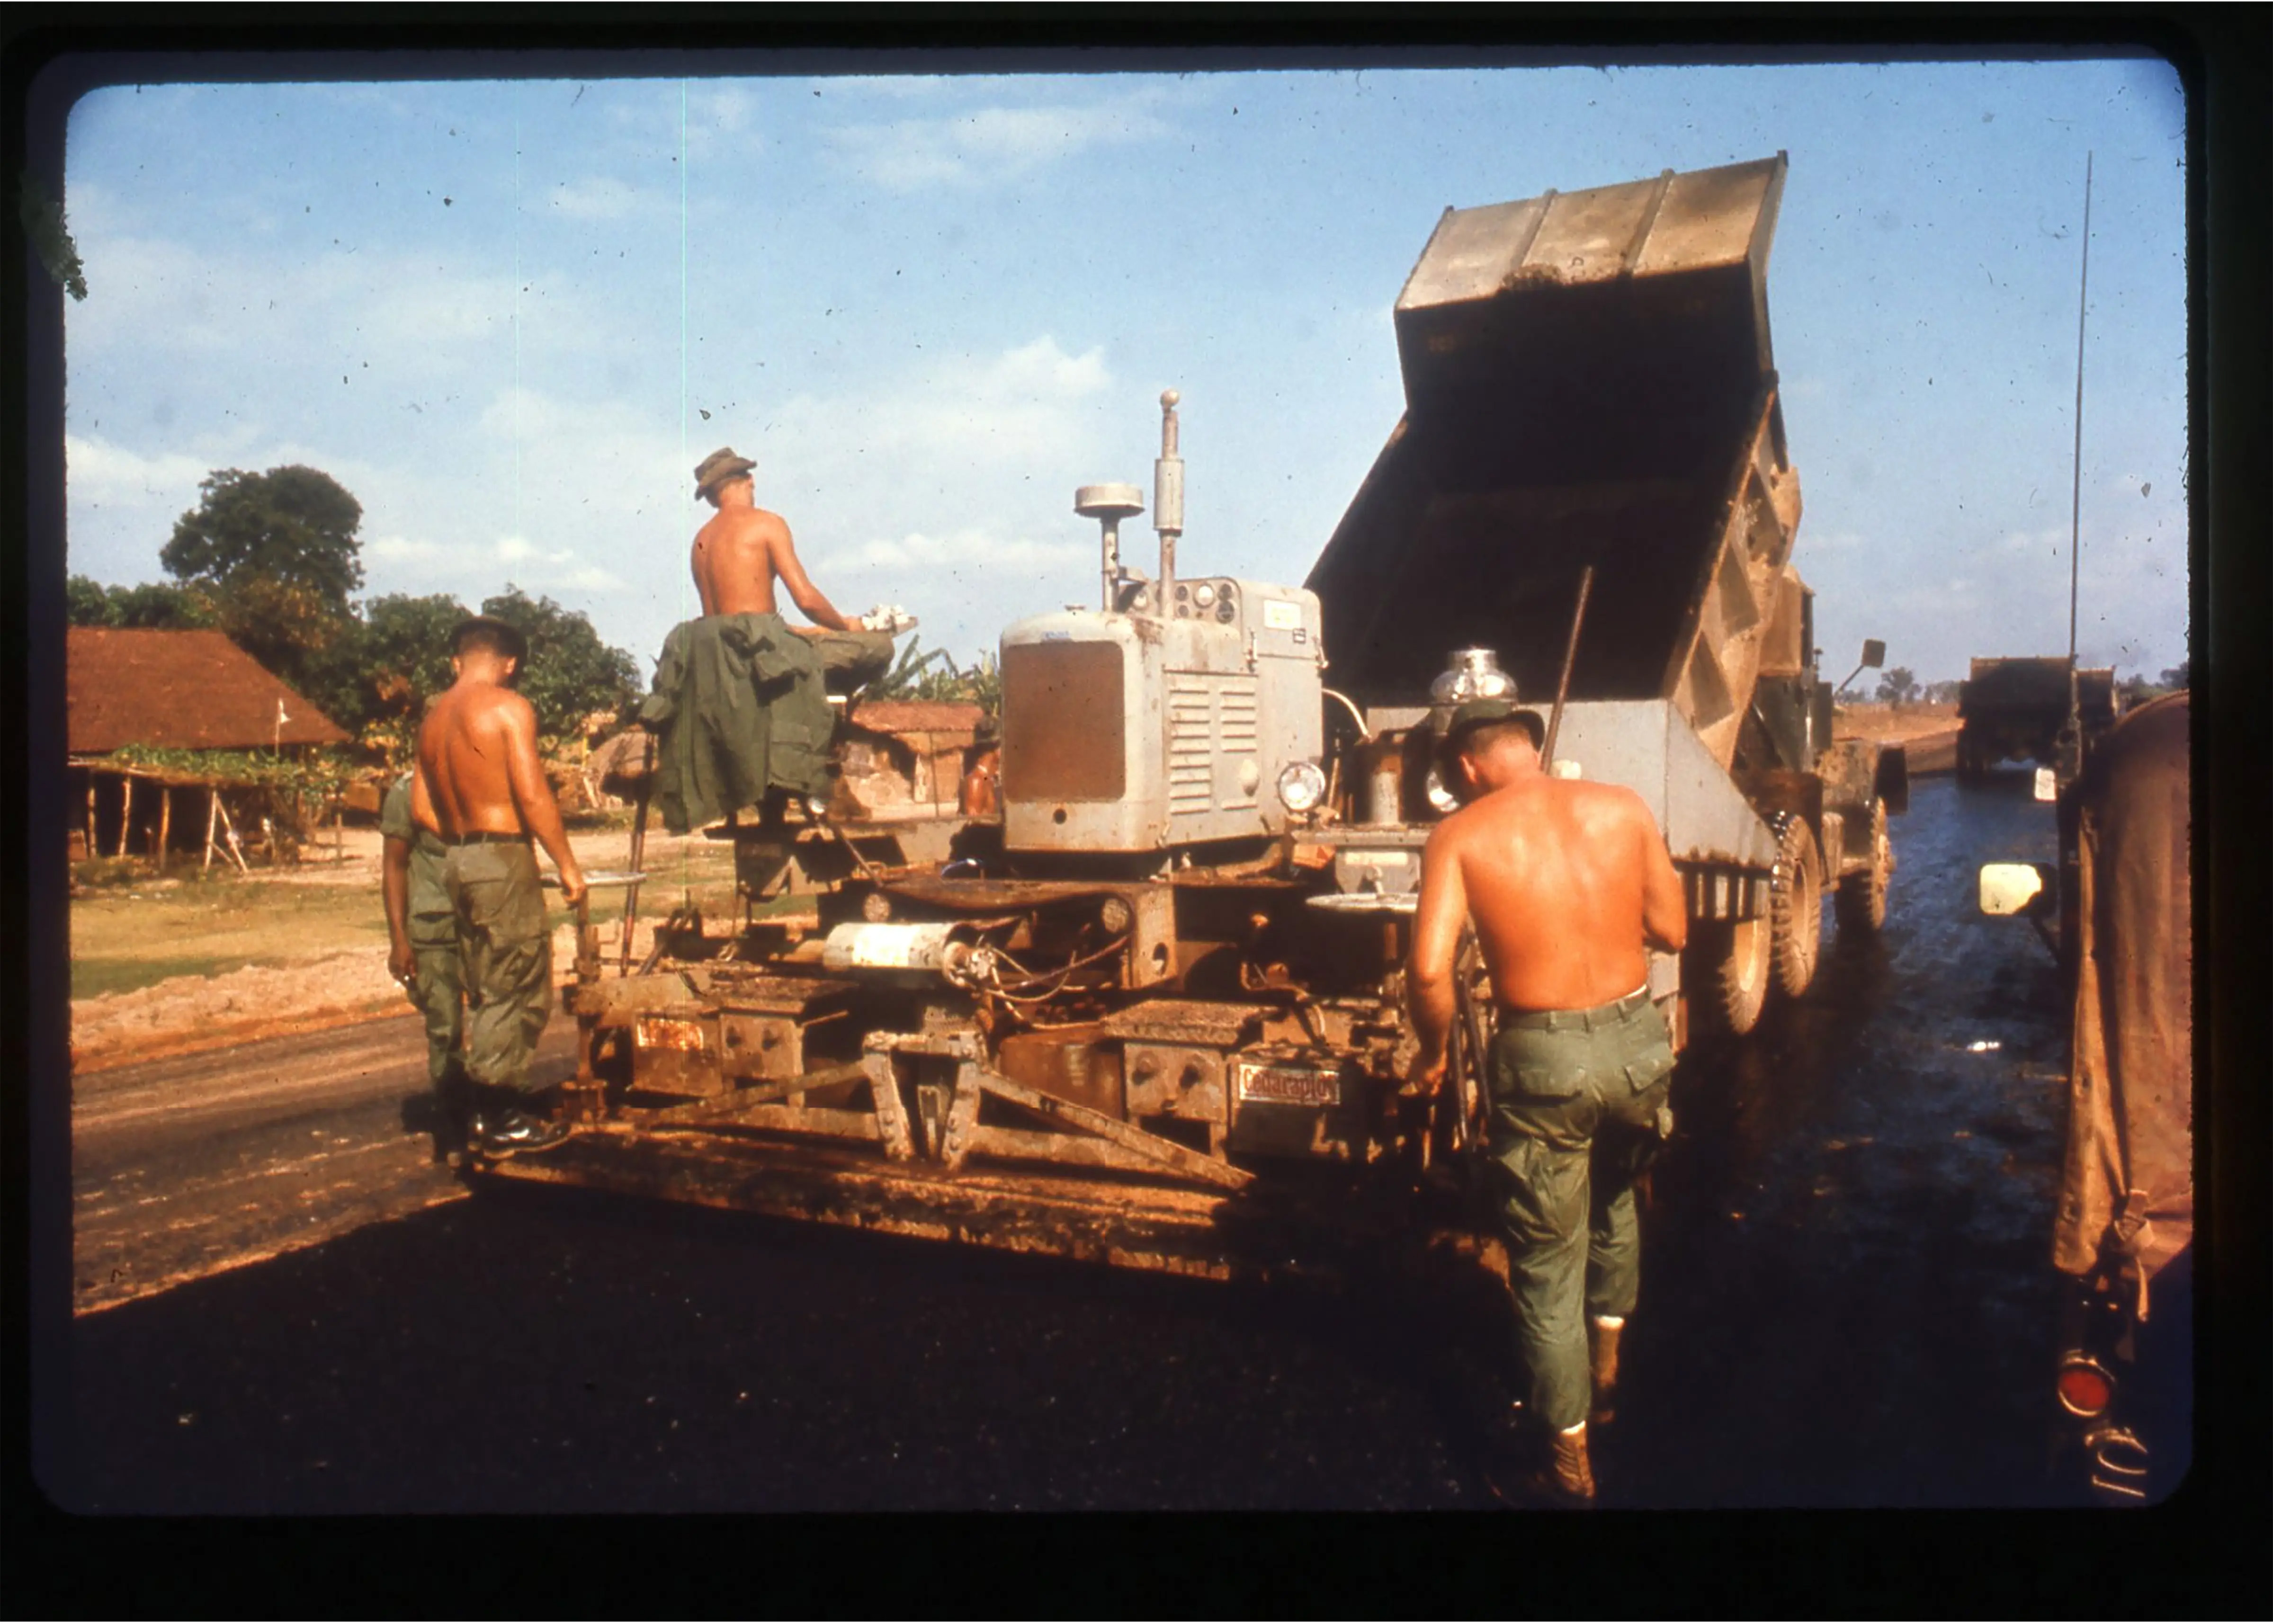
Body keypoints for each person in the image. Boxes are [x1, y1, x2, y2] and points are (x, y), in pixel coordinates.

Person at [1407, 696, 1689, 1506]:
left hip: (1545, 1060)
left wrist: (1430, 1055)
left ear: (1466, 766)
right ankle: (1606, 1368)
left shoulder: (1460, 835)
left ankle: (1563, 1462)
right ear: (1530, 745)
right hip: (1637, 1046)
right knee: (1615, 1202)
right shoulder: (1623, 807)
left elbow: (1430, 972)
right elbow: (1673, 933)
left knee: (1543, 1266)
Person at [638, 447, 900, 834]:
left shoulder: (701, 541)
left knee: (795, 669)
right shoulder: (766, 524)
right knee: (878, 649)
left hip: (718, 659)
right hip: (757, 655)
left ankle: (775, 793)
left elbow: (740, 621)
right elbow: (807, 600)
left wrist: (811, 633)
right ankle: (823, 768)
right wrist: (847, 626)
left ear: (711, 496)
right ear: (748, 482)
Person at [410, 616, 588, 1157]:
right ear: (509, 664)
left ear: (457, 659)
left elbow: (421, 808)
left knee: (486, 981)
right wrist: (566, 864)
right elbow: (532, 794)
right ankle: (500, 1115)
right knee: (516, 980)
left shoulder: (433, 717)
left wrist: (469, 844)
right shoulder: (509, 707)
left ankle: (481, 1111)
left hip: (457, 859)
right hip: (503, 855)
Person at [380, 766, 469, 1161]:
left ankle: (489, 1116)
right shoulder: (407, 792)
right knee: (445, 1031)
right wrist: (399, 939)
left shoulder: (477, 779)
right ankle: (453, 1132)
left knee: (495, 1026)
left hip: (482, 923)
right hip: (433, 931)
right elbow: (394, 867)